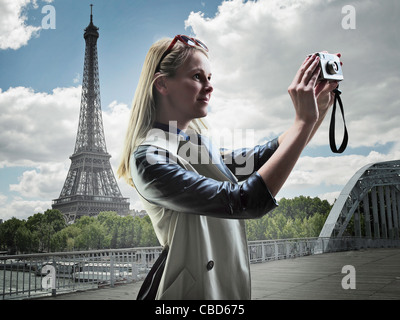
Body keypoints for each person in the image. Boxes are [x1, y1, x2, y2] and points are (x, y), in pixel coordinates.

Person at [117, 35, 339, 300]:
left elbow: (266, 156)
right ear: (163, 84)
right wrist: (304, 122)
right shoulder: (148, 157)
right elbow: (244, 200)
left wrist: (318, 108)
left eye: (210, 78)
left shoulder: (194, 146)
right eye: (198, 77)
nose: (209, 87)